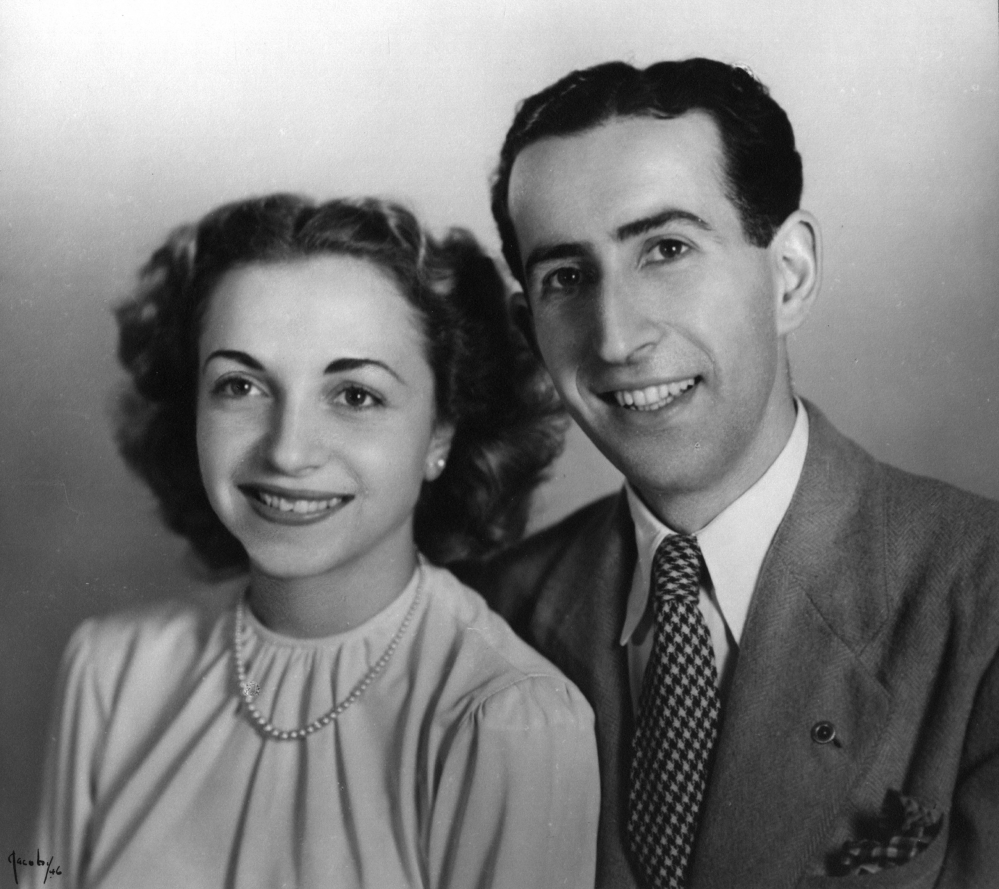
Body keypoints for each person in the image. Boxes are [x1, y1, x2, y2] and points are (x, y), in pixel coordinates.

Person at [462, 58, 999, 887]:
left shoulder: (982, 599)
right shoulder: (492, 617)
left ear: (790, 275)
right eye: (565, 278)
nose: (614, 337)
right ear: (528, 326)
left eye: (667, 249)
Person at [33, 194, 600, 889]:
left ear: (442, 434)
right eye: (240, 385)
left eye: (355, 395)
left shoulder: (508, 721)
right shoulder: (110, 673)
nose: (289, 451)